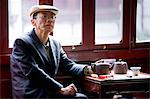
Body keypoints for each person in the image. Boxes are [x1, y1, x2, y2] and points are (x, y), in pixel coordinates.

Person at [10, 5, 93, 99]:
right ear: (33, 22)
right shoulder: (22, 42)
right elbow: (34, 73)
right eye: (44, 16)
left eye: (52, 17)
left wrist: (89, 69)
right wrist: (61, 89)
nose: (49, 20)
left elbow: (67, 65)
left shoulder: (55, 43)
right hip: (31, 93)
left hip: (48, 91)